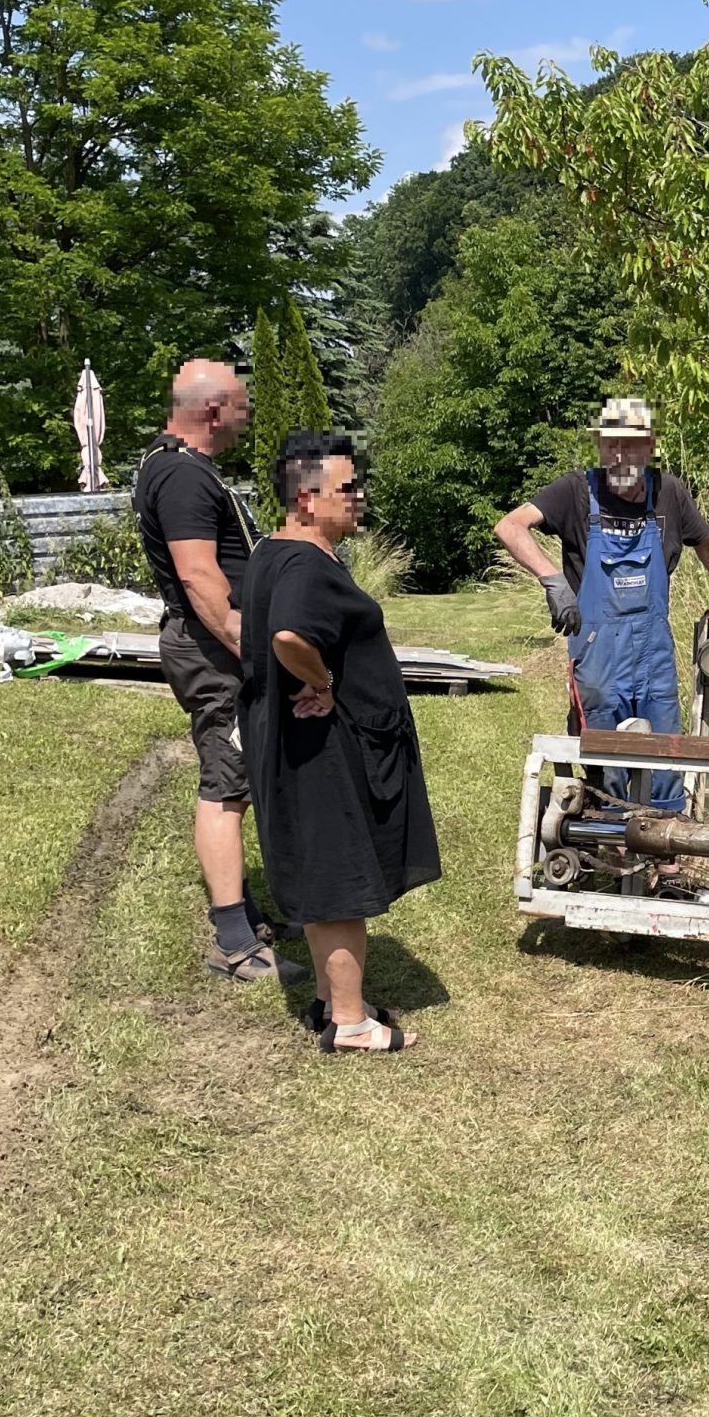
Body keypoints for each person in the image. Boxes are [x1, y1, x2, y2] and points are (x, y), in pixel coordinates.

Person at [240, 434, 441, 1053]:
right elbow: (290, 636)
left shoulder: (275, 551)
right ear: (307, 497)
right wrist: (323, 681)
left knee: (325, 876)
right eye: (347, 487)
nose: (360, 497)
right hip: (320, 748)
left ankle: (333, 1003)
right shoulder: (304, 563)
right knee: (342, 879)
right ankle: (352, 1024)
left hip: (293, 744)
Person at [491, 397, 709, 812]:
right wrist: (553, 581)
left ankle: (665, 854)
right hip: (598, 654)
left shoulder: (669, 493)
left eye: (629, 444)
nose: (618, 454)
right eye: (610, 443)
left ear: (649, 446)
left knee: (665, 754)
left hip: (653, 654)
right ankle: (611, 847)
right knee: (604, 758)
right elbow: (510, 526)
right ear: (599, 446)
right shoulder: (575, 491)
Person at [132, 358, 293, 981]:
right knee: (227, 785)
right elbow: (201, 578)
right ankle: (233, 943)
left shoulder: (177, 467)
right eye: (242, 406)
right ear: (213, 409)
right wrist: (254, 650)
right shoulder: (181, 476)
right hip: (211, 646)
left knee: (241, 779)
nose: (247, 419)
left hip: (212, 643)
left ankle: (246, 916)